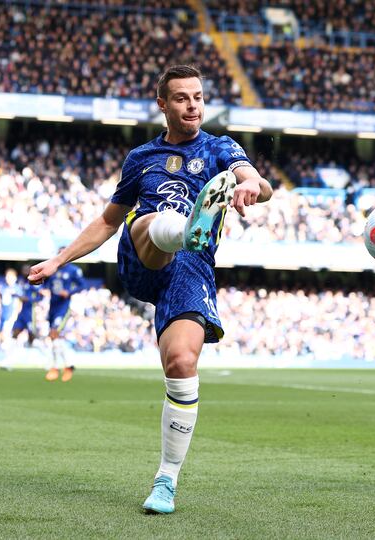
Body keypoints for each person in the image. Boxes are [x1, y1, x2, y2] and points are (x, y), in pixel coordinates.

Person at [27, 65, 272, 513]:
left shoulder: (220, 147)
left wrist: (252, 184)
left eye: (198, 96)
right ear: (162, 104)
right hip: (142, 254)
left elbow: (257, 180)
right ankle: (184, 226)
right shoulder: (141, 157)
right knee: (149, 220)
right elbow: (106, 220)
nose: (193, 105)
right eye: (181, 98)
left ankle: (166, 480)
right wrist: (59, 259)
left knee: (180, 362)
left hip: (189, 268)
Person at [45, 252, 84, 382]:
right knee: (55, 339)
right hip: (52, 307)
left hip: (63, 308)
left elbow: (82, 285)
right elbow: (47, 285)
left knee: (54, 334)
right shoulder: (53, 269)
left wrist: (69, 292)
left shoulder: (73, 270)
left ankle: (55, 367)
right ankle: (68, 365)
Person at [1, 265, 45, 370]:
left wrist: (28, 299)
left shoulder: (35, 282)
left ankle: (48, 359)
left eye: (27, 270)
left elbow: (41, 296)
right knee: (14, 334)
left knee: (33, 338)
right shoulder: (21, 282)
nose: (25, 271)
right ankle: (8, 362)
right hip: (22, 313)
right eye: (23, 269)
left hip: (30, 313)